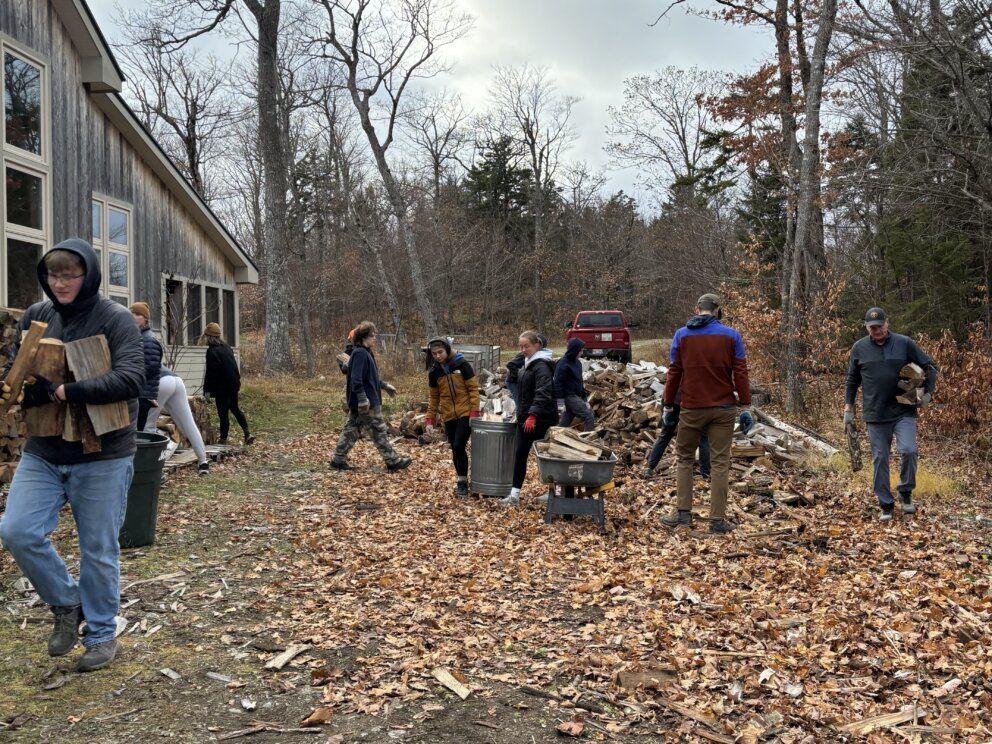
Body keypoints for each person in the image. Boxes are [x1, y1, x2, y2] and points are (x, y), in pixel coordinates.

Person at [0, 239, 144, 672]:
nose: (59, 283)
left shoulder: (116, 320)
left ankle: (101, 634)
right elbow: (15, 365)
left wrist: (64, 390)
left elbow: (132, 378)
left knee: (98, 548)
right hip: (44, 449)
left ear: (90, 275)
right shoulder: (37, 316)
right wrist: (19, 382)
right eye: (53, 275)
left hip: (103, 453)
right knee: (17, 530)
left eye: (69, 274)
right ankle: (66, 602)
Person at [661, 293, 751, 534]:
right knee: (720, 463)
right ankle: (717, 520)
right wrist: (745, 406)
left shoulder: (682, 335)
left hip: (692, 407)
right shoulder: (732, 335)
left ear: (697, 309)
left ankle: (683, 514)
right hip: (723, 408)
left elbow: (674, 372)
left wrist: (668, 405)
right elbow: (740, 373)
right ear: (718, 310)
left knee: (684, 459)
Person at [845, 307, 937, 521]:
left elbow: (929, 366)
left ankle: (905, 492)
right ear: (867, 327)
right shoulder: (859, 348)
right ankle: (885, 503)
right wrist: (848, 408)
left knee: (908, 450)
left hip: (903, 408)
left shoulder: (904, 343)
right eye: (872, 327)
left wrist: (928, 393)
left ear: (887, 323)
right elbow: (852, 380)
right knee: (880, 458)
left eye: (880, 325)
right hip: (875, 412)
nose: (876, 330)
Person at [330, 321, 409, 472]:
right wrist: (362, 399)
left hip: (365, 400)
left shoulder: (365, 353)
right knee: (378, 429)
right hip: (366, 402)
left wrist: (385, 386)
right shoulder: (360, 353)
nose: (375, 338)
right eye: (373, 335)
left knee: (351, 429)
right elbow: (356, 379)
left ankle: (337, 460)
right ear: (364, 337)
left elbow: (369, 378)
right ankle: (392, 460)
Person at [498, 331, 558, 507]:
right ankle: (514, 495)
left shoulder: (542, 366)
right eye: (521, 346)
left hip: (542, 419)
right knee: (520, 454)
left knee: (547, 456)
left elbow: (543, 393)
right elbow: (523, 393)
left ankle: (553, 492)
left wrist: (533, 414)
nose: (523, 349)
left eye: (527, 346)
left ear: (537, 346)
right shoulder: (528, 364)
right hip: (526, 418)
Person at [424, 337, 480, 497]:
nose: (437, 356)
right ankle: (462, 480)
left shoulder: (462, 365)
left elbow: (473, 389)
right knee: (456, 450)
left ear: (447, 350)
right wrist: (429, 418)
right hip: (448, 414)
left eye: (440, 352)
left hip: (465, 412)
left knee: (458, 445)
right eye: (434, 353)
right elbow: (434, 397)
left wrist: (474, 412)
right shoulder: (434, 372)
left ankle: (462, 482)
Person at [143, 367, 210, 476]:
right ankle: (203, 462)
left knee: (148, 426)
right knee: (188, 423)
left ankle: (152, 466)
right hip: (176, 380)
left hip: (159, 382)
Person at [202, 322, 253, 446]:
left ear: (209, 337)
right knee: (235, 408)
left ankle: (223, 440)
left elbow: (211, 374)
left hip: (222, 387)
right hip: (233, 384)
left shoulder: (212, 351)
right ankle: (247, 433)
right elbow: (233, 368)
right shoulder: (227, 348)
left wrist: (207, 392)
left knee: (223, 414)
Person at [642, 388, 711, 480]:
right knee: (703, 438)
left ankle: (649, 469)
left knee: (665, 435)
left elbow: (672, 377)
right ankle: (705, 474)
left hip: (673, 399)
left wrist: (667, 406)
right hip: (693, 402)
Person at [130, 302, 161, 432]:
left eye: (138, 314)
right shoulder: (138, 336)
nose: (134, 317)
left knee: (137, 431)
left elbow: (151, 367)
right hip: (139, 391)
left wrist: (131, 374)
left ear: (146, 319)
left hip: (144, 393)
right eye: (132, 314)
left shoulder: (148, 339)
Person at [554, 338, 595, 432]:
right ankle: (588, 440)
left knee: (566, 420)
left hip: (576, 396)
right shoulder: (563, 363)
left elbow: (580, 382)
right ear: (575, 350)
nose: (582, 352)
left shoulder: (578, 363)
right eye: (581, 350)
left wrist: (585, 399)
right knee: (588, 415)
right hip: (568, 396)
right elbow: (557, 384)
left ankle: (555, 436)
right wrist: (560, 403)